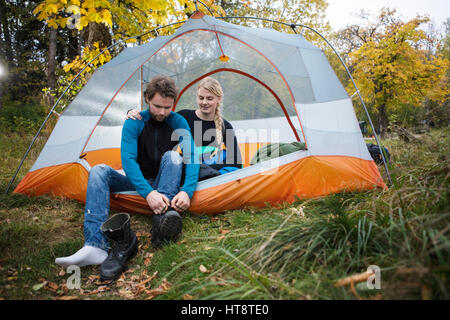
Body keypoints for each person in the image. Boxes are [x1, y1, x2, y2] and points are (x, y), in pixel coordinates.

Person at [55, 75, 199, 281]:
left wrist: (187, 190)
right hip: (138, 180)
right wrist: (148, 193)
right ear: (147, 99)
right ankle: (95, 245)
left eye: (167, 107)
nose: (162, 112)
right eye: (157, 106)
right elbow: (129, 161)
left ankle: (162, 220)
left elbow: (191, 156)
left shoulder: (178, 121)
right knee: (98, 170)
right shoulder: (134, 122)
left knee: (173, 157)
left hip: (163, 178)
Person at [128, 77, 242, 176]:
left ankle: (209, 174)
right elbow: (157, 123)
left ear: (219, 99)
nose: (204, 102)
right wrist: (135, 113)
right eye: (201, 98)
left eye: (209, 98)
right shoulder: (184, 116)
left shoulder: (225, 126)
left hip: (212, 171)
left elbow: (236, 161)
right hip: (187, 168)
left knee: (225, 155)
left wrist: (215, 171)